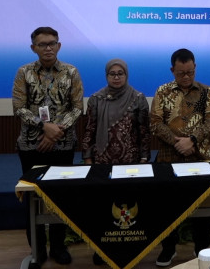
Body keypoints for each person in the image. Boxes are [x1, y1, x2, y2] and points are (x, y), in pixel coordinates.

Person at [12, 27, 84, 265]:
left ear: (59, 46)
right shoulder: (24, 72)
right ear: (33, 48)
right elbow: (19, 108)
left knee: (60, 198)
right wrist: (44, 126)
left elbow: (77, 108)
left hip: (63, 146)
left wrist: (55, 132)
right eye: (42, 44)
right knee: (33, 197)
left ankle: (58, 247)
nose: (48, 48)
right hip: (31, 146)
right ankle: (38, 248)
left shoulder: (71, 72)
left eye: (52, 43)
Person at [150, 49, 210, 267]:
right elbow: (156, 123)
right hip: (169, 157)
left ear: (195, 67)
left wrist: (192, 141)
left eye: (190, 72)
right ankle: (168, 249)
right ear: (173, 70)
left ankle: (202, 248)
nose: (186, 77)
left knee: (202, 206)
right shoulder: (163, 91)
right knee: (167, 208)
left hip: (199, 158)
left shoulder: (206, 92)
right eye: (181, 73)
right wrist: (178, 142)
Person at [82, 58, 150, 265]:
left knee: (130, 207)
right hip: (102, 163)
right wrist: (88, 158)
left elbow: (144, 132)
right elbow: (89, 130)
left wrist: (144, 158)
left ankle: (131, 247)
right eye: (112, 74)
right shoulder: (96, 99)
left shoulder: (138, 99)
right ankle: (102, 249)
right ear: (106, 76)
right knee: (103, 207)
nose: (117, 77)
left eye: (121, 73)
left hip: (130, 163)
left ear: (126, 75)